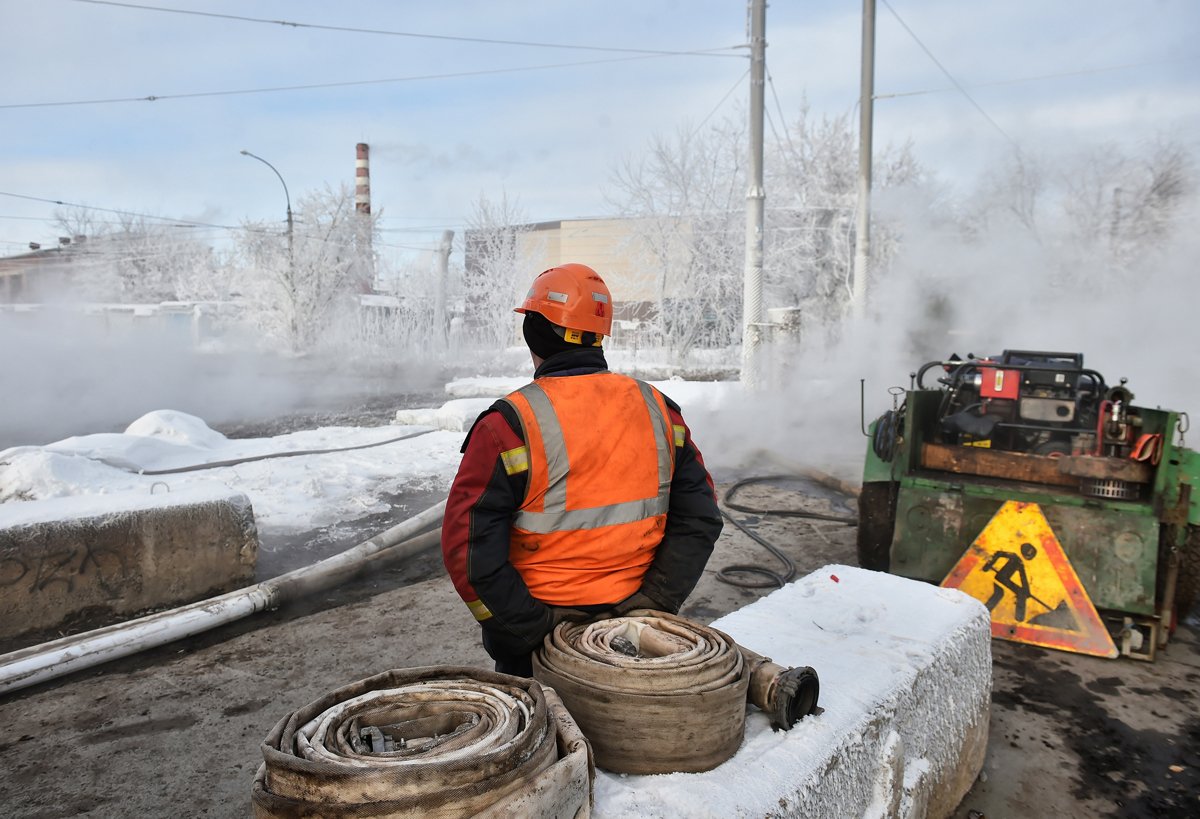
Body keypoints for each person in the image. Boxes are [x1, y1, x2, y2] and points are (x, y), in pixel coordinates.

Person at [441, 262, 723, 677]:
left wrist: (530, 630)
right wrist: (654, 603)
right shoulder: (658, 410)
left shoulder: (509, 424)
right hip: (635, 634)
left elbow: (466, 552)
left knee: (550, 740)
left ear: (532, 332)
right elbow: (700, 518)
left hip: (535, 649)